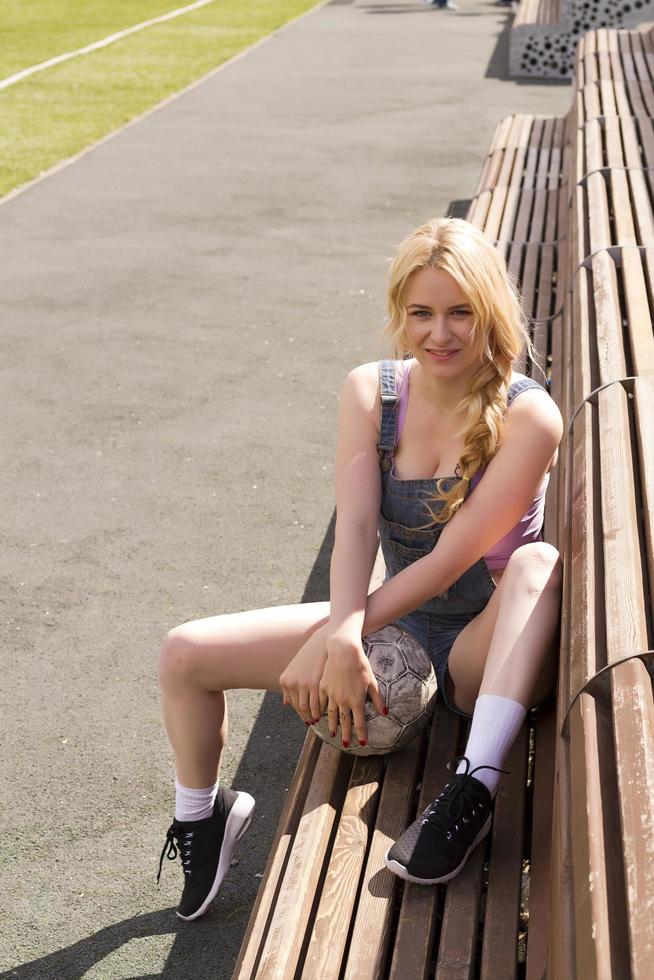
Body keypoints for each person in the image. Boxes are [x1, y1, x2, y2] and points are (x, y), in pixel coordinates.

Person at [157, 217, 563, 918]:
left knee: (538, 562)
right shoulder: (370, 393)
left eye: (462, 311)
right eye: (423, 313)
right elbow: (354, 530)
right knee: (184, 652)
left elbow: (446, 564)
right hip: (398, 624)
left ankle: (474, 786)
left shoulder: (530, 417)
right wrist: (344, 632)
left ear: (491, 310)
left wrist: (340, 636)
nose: (442, 333)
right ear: (399, 316)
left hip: (484, 646)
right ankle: (203, 815)